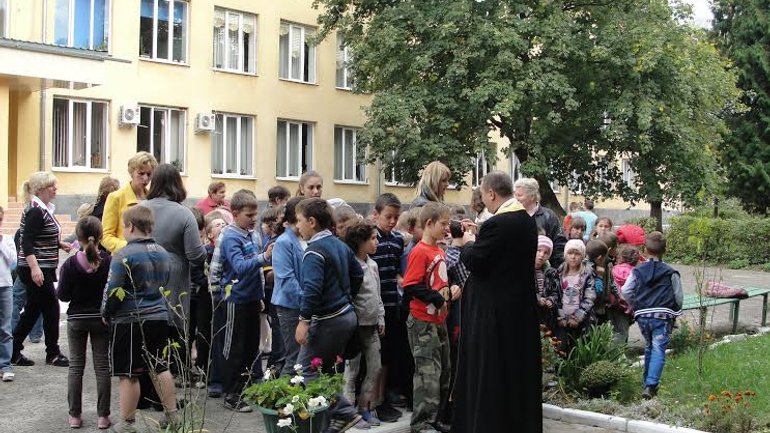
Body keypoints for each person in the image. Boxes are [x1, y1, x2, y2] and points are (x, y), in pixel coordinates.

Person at [455, 171, 540, 433]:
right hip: (517, 311)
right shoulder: (525, 220)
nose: (483, 200)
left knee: (491, 374)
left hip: (493, 316)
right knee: (513, 374)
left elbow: (477, 260)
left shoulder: (500, 224)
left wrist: (468, 242)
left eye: (482, 195)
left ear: (491, 193)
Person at [101, 205, 178, 432]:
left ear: (131, 226)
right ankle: (172, 416)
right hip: (159, 316)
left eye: (124, 227)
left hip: (130, 320)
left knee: (128, 372)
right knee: (160, 367)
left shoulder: (124, 255)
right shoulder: (164, 252)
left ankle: (127, 423)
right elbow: (165, 282)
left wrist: (106, 312)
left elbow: (114, 290)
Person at [294, 197, 363, 432]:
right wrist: (344, 297)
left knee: (305, 372)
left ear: (312, 222)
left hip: (327, 320)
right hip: (346, 315)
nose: (298, 226)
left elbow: (312, 290)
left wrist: (303, 321)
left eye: (300, 221)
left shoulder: (314, 251)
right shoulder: (340, 244)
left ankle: (343, 411)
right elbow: (357, 275)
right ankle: (328, 423)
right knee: (323, 370)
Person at [144, 164, 207, 374]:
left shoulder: (140, 209)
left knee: (150, 323)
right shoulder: (184, 214)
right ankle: (176, 371)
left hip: (144, 273)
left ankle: (150, 371)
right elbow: (196, 255)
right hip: (175, 276)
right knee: (175, 325)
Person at [403, 202, 460, 433]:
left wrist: (451, 289)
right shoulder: (420, 251)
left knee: (444, 372)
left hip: (439, 321)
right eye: (443, 224)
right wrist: (436, 299)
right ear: (429, 224)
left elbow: (440, 280)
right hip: (422, 322)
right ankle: (421, 423)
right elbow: (410, 286)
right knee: (428, 375)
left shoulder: (439, 250)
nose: (447, 229)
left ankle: (436, 418)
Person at [217, 190, 273, 412]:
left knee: (251, 347)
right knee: (234, 348)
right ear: (235, 213)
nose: (254, 219)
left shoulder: (253, 235)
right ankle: (230, 393)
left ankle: (245, 390)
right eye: (249, 215)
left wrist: (260, 296)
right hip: (235, 300)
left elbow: (257, 271)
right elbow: (239, 266)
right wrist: (264, 257)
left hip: (251, 299)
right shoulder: (231, 236)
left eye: (255, 214)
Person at [56, 216, 112, 429]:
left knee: (76, 367)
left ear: (78, 237)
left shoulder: (70, 264)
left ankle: (75, 416)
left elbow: (62, 296)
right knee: (102, 367)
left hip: (77, 320)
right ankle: (103, 417)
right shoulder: (108, 261)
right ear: (101, 236)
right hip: (101, 319)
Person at [12, 172, 71, 367]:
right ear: (39, 190)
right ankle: (52, 352)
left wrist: (59, 243)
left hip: (40, 267)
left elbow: (38, 236)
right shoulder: (36, 210)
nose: (55, 189)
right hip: (35, 269)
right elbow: (26, 240)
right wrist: (35, 268)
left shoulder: (43, 209)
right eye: (51, 186)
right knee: (51, 307)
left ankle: (12, 349)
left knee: (32, 310)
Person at [621, 231, 682, 399]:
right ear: (665, 250)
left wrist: (635, 303)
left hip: (642, 316)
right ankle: (651, 385)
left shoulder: (638, 271)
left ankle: (646, 382)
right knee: (658, 348)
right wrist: (676, 311)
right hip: (662, 316)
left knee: (649, 346)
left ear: (645, 249)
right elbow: (678, 296)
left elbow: (625, 291)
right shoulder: (671, 272)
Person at [342, 220, 385, 428]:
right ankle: (349, 413)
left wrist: (381, 317)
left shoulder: (373, 264)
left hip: (371, 326)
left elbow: (377, 294)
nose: (376, 242)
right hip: (355, 328)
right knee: (352, 370)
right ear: (360, 241)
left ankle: (364, 408)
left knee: (375, 367)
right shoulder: (351, 265)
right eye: (373, 239)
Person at [370, 193, 408, 422]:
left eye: (396, 217)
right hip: (374, 307)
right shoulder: (369, 238)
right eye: (388, 217)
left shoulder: (396, 240)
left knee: (387, 357)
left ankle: (382, 399)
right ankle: (371, 401)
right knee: (374, 359)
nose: (392, 221)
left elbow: (395, 271)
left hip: (392, 305)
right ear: (376, 215)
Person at [269, 197, 305, 376]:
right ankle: (283, 401)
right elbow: (286, 279)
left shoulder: (304, 238)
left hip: (302, 306)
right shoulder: (285, 242)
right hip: (290, 307)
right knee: (293, 359)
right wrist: (307, 301)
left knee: (302, 358)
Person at [101, 151, 158, 253]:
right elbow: (105, 236)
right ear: (131, 172)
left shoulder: (152, 198)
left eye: (149, 174)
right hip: (124, 259)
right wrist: (130, 247)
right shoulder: (116, 197)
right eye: (141, 173)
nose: (145, 178)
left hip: (148, 258)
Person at [199, 213, 227, 398]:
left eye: (224, 223)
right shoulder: (205, 252)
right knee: (206, 334)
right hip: (205, 297)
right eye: (217, 224)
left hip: (224, 297)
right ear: (209, 234)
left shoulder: (228, 248)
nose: (222, 226)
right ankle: (204, 371)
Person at [514, 177, 567, 268]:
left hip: (544, 271)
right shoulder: (512, 215)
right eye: (515, 195)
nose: (516, 198)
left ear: (532, 196)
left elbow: (559, 245)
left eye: (519, 195)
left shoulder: (549, 216)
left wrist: (555, 271)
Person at [555, 239, 596, 353]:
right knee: (561, 348)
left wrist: (578, 317)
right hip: (563, 318)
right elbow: (556, 296)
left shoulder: (587, 274)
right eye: (570, 253)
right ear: (565, 255)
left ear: (582, 256)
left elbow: (589, 298)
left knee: (578, 350)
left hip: (581, 319)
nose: (573, 257)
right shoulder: (559, 273)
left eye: (577, 254)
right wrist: (561, 316)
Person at [260, 206, 286, 371]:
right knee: (279, 339)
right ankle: (273, 373)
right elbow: (268, 276)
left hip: (284, 298)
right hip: (277, 297)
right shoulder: (275, 243)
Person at [0, 206, 17, 382]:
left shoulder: (7, 240)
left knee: (5, 328)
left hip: (5, 286)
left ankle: (5, 365)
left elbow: (13, 263)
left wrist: (1, 244)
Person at [534, 235, 560, 331]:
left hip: (546, 316)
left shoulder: (551, 272)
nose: (541, 255)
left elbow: (556, 292)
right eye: (539, 250)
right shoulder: (524, 271)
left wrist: (551, 300)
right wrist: (537, 298)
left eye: (546, 253)